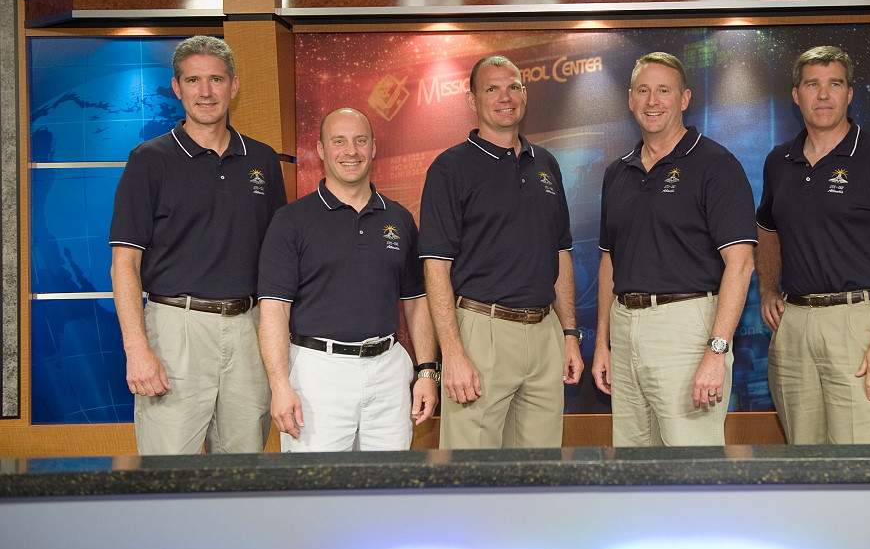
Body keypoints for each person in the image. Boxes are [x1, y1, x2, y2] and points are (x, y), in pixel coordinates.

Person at [109, 35, 286, 455]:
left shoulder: (263, 160)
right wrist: (137, 349)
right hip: (176, 331)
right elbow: (124, 264)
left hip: (249, 331)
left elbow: (279, 262)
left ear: (234, 86)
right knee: (169, 472)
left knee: (242, 471)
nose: (205, 92)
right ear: (177, 88)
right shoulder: (149, 160)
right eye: (193, 80)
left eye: (216, 80)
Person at [755, 45, 870, 444]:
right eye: (812, 84)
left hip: (862, 323)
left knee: (864, 460)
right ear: (796, 94)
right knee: (805, 456)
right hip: (795, 325)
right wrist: (767, 289)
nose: (823, 95)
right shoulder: (779, 161)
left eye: (834, 84)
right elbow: (767, 229)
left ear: (849, 94)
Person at [592, 52, 756, 446]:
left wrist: (717, 351)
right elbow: (609, 261)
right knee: (633, 461)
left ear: (683, 99)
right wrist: (602, 343)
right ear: (630, 99)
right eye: (643, 91)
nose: (653, 101)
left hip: (687, 328)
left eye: (664, 91)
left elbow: (741, 265)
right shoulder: (617, 172)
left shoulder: (716, 164)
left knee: (690, 465)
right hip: (624, 326)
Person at [419, 55, 583, 449]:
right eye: (491, 89)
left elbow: (560, 252)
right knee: (471, 470)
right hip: (481, 331)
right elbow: (436, 267)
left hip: (545, 333)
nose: (504, 97)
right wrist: (452, 353)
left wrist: (569, 334)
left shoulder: (546, 164)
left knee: (539, 469)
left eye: (513, 87)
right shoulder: (450, 168)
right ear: (472, 100)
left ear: (524, 94)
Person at [256, 108, 438, 452]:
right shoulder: (291, 221)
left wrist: (427, 371)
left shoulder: (399, 218)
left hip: (389, 372)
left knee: (388, 480)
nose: (350, 151)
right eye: (338, 141)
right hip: (317, 375)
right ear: (321, 149)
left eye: (360, 140)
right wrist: (279, 385)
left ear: (373, 147)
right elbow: (274, 310)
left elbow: (416, 302)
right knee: (314, 483)